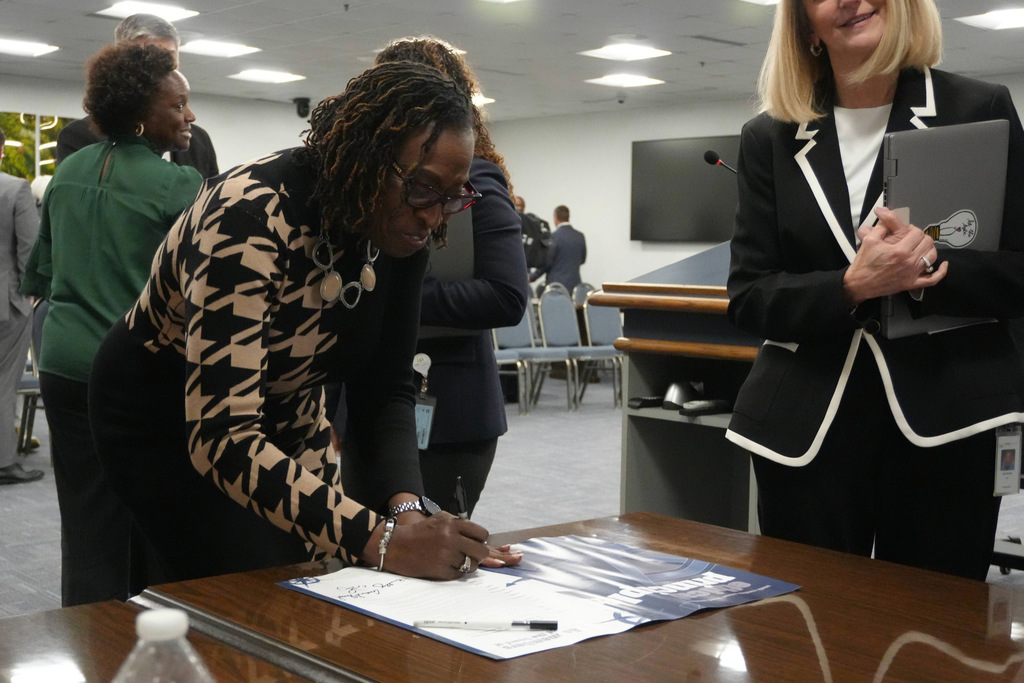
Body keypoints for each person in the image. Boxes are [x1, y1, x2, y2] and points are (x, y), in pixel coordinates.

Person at [88, 61, 522, 592]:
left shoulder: (402, 224)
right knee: (253, 583)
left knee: (318, 571)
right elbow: (223, 436)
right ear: (368, 162)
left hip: (286, 405)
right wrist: (384, 541)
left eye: (453, 195)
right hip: (169, 416)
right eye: (424, 188)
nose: (434, 217)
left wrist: (408, 513)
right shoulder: (249, 215)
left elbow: (386, 387)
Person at [725, 0, 1024, 581]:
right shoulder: (768, 136)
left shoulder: (978, 109)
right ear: (805, 23)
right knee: (809, 620)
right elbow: (749, 296)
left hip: (949, 421)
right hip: (806, 428)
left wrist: (928, 264)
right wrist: (850, 286)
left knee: (933, 625)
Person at [20, 43, 204, 605]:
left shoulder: (68, 172)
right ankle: (139, 628)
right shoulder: (179, 185)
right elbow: (203, 292)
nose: (190, 116)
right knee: (153, 514)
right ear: (142, 112)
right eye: (178, 105)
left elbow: (42, 274)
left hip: (62, 366)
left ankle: (84, 628)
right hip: (134, 373)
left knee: (86, 511)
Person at [369, 37, 530, 517]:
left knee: (428, 548)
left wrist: (402, 296)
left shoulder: (475, 180)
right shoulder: (368, 179)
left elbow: (506, 296)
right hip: (368, 406)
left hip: (449, 412)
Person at [56, 13, 219, 178]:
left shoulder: (198, 141)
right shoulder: (80, 137)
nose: (163, 70)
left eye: (169, 60)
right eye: (150, 59)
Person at [0, 129, 42, 485]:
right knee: (3, 383)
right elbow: (31, 250)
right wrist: (30, 295)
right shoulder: (15, 188)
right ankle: (3, 462)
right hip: (6, 304)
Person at [529, 205, 586, 292]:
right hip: (575, 286)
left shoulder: (553, 237)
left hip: (556, 286)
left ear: (555, 217)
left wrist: (532, 277)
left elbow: (546, 262)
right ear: (568, 217)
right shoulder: (579, 236)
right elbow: (582, 260)